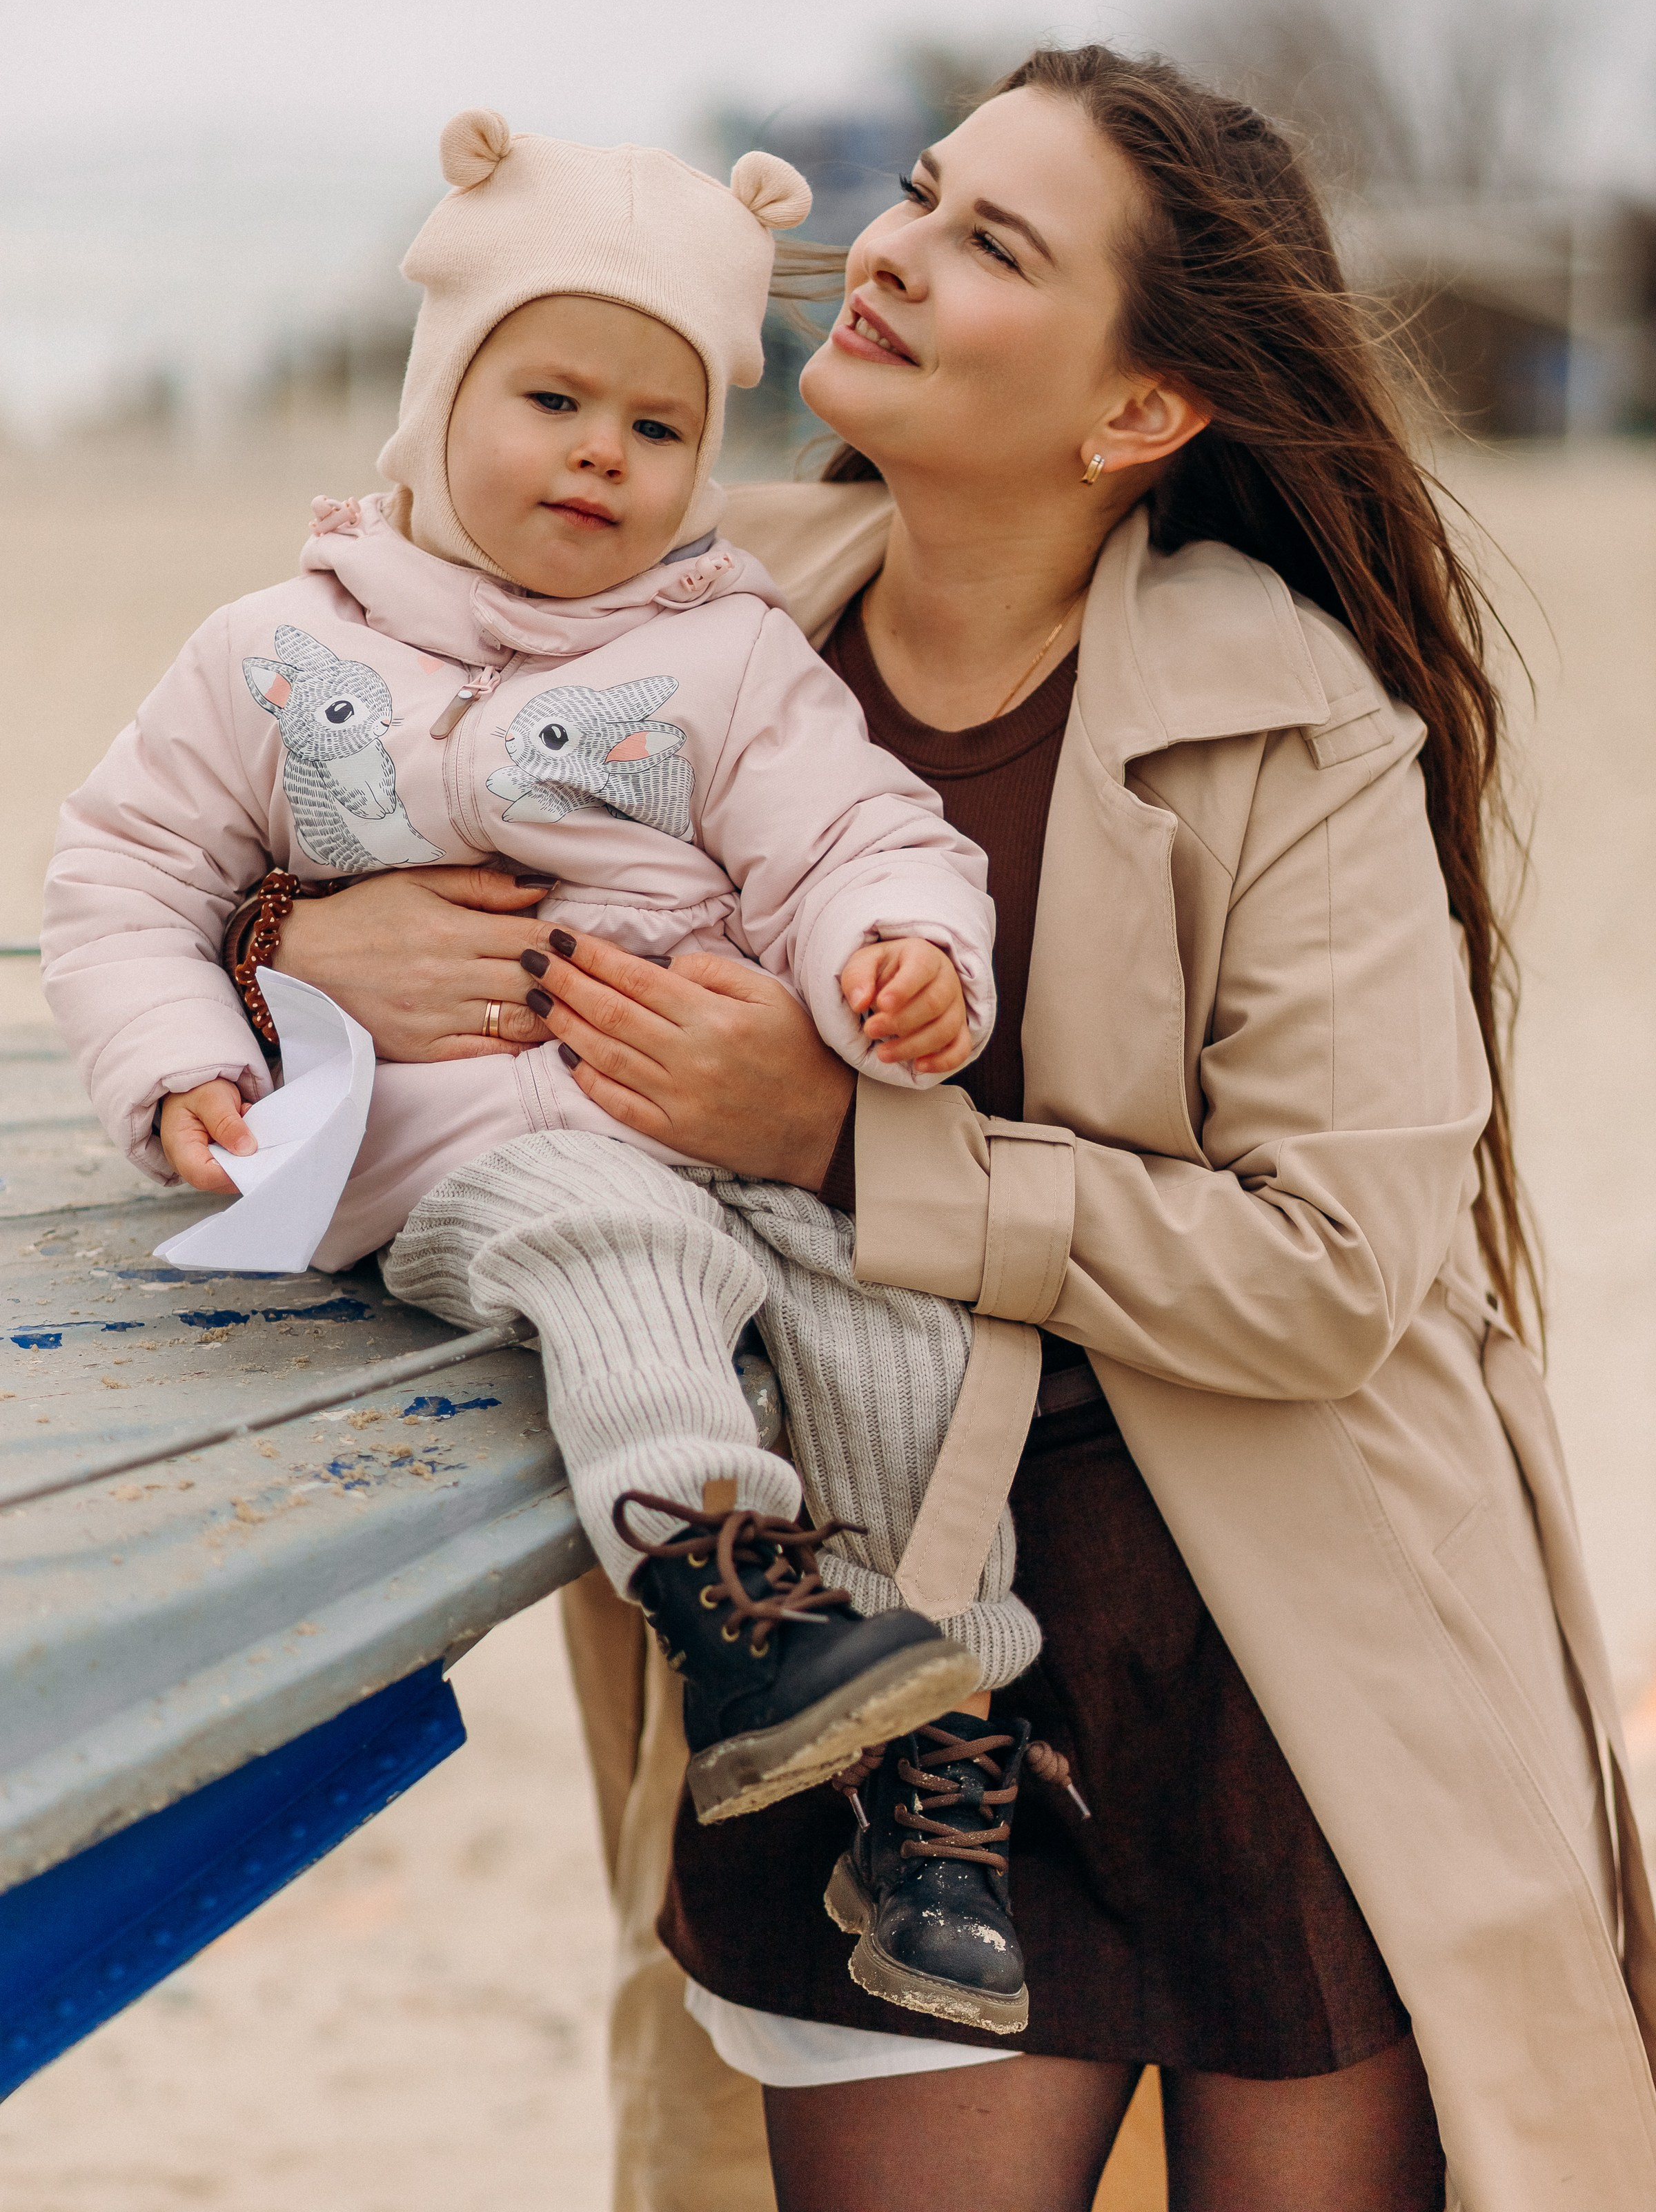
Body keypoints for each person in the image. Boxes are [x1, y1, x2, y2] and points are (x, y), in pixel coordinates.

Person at [195, 46, 1656, 2212]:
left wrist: (858, 1151)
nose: (886, 245)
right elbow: (253, 772)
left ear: (1137, 411)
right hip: (866, 1660)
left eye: (993, 242)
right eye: (925, 190)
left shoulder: (1295, 720)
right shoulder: (678, 621)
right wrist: (298, 950)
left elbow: (1335, 1278)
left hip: (1284, 1661)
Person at [39, 110, 1086, 1979]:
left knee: (893, 1325)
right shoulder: (277, 654)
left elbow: (859, 831)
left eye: (659, 425)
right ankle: (725, 1599)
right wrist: (186, 1063)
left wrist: (899, 955)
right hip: (447, 1155)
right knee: (625, 1246)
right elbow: (124, 875)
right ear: (441, 398)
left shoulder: (728, 656)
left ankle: (930, 1760)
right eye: (550, 397)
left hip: (713, 1120)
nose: (601, 450)